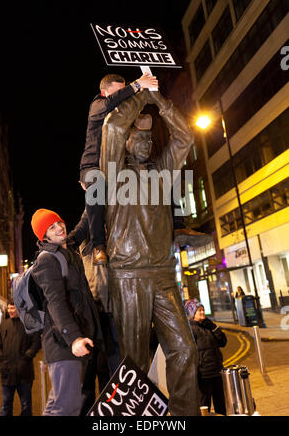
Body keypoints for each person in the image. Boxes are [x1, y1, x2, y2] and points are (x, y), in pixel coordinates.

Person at [99, 87, 201, 416]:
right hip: (128, 277)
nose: (146, 142)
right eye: (138, 137)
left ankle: (185, 415)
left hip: (163, 275)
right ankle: (138, 420)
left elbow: (185, 135)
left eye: (148, 139)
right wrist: (141, 93)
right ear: (126, 144)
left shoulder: (161, 173)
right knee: (135, 362)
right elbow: (113, 126)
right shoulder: (113, 175)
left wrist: (161, 102)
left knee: (185, 348)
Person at [30, 208, 104, 416]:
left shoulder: (67, 245)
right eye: (51, 228)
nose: (59, 228)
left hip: (76, 340)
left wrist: (94, 192)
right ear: (44, 236)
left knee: (63, 404)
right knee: (65, 407)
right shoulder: (47, 260)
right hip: (63, 345)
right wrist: (74, 339)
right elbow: (56, 304)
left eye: (59, 222)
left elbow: (84, 223)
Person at [79, 72, 158, 265]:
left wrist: (149, 91)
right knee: (97, 181)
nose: (124, 95)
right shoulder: (98, 105)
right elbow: (110, 103)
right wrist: (137, 85)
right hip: (93, 166)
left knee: (157, 173)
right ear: (105, 92)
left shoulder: (124, 113)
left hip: (119, 165)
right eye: (119, 91)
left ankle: (178, 227)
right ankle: (98, 245)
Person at [68, 208, 120, 415]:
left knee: (113, 371)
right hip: (92, 315)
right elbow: (88, 216)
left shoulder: (115, 242)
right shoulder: (88, 243)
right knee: (87, 378)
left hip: (112, 313)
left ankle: (114, 413)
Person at [0, 302, 41, 416]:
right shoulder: (4, 324)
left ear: (19, 309)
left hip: (24, 372)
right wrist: (0, 358)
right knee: (6, 404)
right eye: (9, 308)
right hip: (7, 372)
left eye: (13, 308)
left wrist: (27, 356)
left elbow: (36, 343)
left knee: (26, 405)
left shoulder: (28, 324)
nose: (10, 311)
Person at [185, 299, 227, 415]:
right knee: (204, 407)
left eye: (203, 310)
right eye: (199, 311)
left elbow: (223, 342)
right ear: (192, 313)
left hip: (217, 372)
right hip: (203, 375)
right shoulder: (190, 330)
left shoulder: (209, 326)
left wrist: (214, 327)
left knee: (221, 406)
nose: (202, 312)